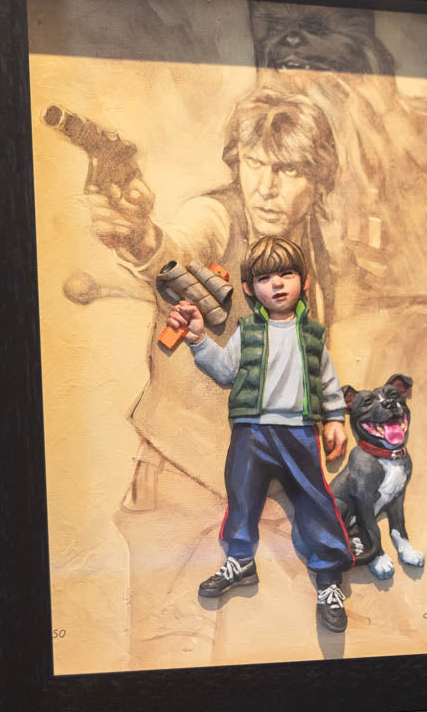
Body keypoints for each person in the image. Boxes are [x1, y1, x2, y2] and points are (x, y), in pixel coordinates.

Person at [86, 86, 339, 508]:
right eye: (254, 163)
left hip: (269, 481)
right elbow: (179, 249)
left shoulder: (316, 252)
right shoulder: (217, 215)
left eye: (289, 169)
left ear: (318, 181)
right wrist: (140, 238)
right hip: (184, 476)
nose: (266, 187)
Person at [166, 235, 354, 633]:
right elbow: (224, 372)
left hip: (299, 431)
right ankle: (240, 562)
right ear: (250, 289)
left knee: (314, 501)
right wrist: (198, 338)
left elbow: (328, 382)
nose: (277, 284)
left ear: (304, 280)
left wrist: (336, 419)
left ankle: (329, 583)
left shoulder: (314, 335)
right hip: (251, 430)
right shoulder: (247, 331)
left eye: (286, 274)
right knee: (242, 494)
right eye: (265, 278)